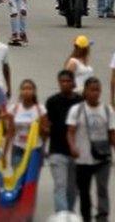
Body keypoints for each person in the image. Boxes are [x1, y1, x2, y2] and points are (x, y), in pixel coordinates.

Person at [67, 76, 115, 222]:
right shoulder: (77, 110)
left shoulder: (107, 110)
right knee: (84, 191)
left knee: (102, 189)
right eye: (92, 90)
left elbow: (112, 134)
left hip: (103, 158)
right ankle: (86, 216)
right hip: (83, 159)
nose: (95, 93)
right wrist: (72, 147)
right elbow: (70, 131)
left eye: (98, 90)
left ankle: (102, 216)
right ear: (85, 91)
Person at [46, 69, 82, 213]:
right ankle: (62, 216)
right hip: (57, 150)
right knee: (60, 185)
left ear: (73, 83)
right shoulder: (52, 101)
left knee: (73, 188)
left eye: (68, 81)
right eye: (62, 81)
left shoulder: (80, 102)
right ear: (59, 83)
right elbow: (47, 125)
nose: (65, 84)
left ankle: (69, 213)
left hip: (76, 151)